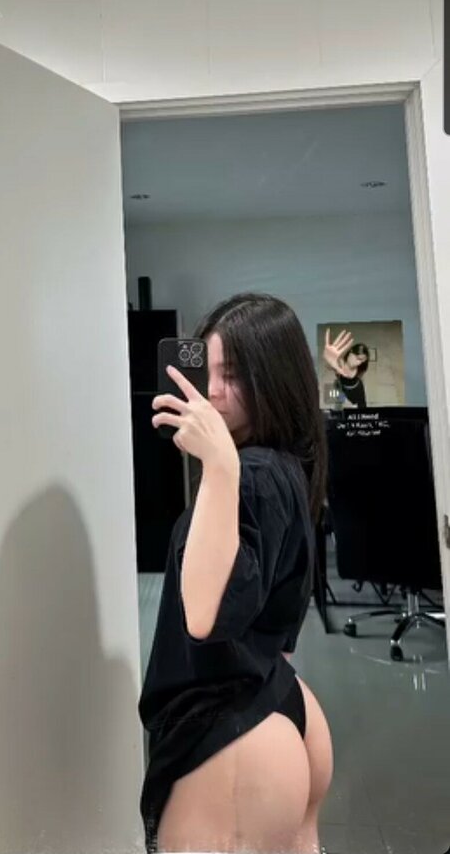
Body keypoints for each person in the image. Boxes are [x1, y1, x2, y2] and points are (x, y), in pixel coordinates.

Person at [138, 293, 333, 854]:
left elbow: (204, 615)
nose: (214, 391)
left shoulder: (249, 473)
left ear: (275, 380)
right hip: (274, 698)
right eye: (210, 370)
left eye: (236, 375)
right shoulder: (284, 468)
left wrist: (220, 462)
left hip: (229, 733)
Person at [323, 329, 370, 408]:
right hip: (341, 387)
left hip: (356, 388)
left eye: (362, 361)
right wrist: (328, 360)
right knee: (339, 404)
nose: (358, 362)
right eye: (357, 358)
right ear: (351, 352)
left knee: (361, 405)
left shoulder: (360, 368)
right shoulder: (340, 363)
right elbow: (329, 366)